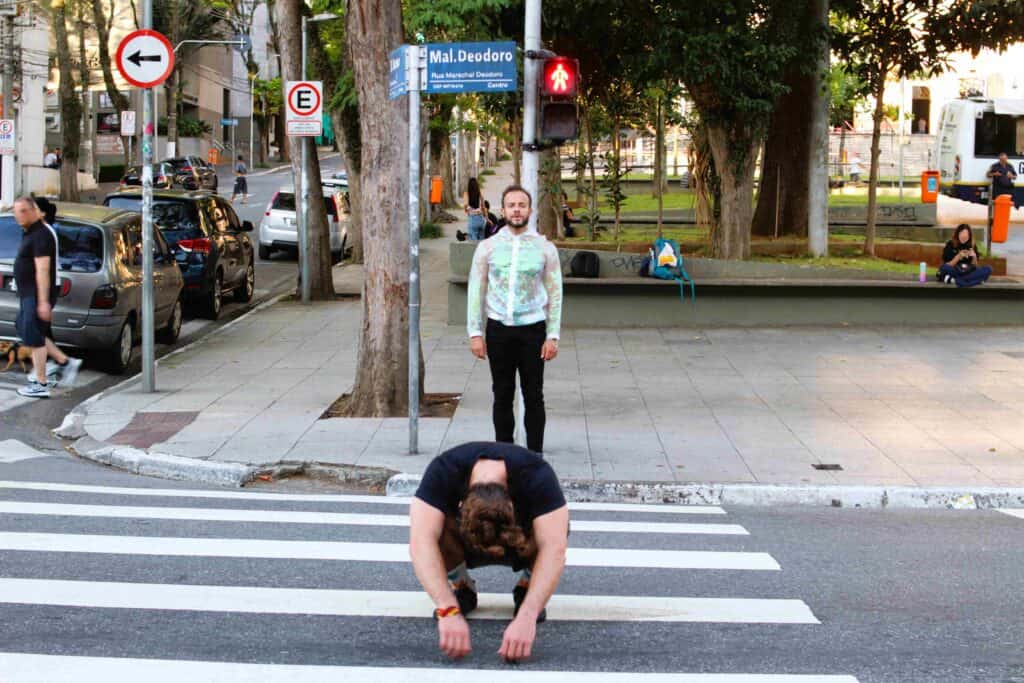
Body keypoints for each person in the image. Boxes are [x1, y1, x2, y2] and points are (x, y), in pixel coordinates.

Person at [409, 441, 570, 662]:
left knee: (555, 528)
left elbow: (554, 548)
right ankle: (462, 586)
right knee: (432, 526)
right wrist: (447, 609)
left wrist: (528, 615)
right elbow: (420, 542)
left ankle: (526, 587)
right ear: (463, 504)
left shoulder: (537, 474)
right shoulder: (443, 470)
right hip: (464, 541)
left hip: (518, 540)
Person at [467, 185, 563, 454]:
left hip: (533, 330)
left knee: (534, 396)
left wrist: (552, 336)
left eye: (522, 205)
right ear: (503, 210)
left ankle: (534, 457)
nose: (517, 210)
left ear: (530, 210)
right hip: (498, 330)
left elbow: (555, 293)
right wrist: (475, 333)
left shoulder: (545, 249)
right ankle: (504, 455)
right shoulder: (488, 248)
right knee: (502, 394)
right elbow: (476, 290)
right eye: (511, 205)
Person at [12, 196, 81, 399]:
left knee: (34, 336)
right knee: (24, 327)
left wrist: (43, 301)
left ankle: (40, 383)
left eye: (23, 211)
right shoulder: (30, 232)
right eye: (16, 211)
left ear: (35, 211)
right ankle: (65, 363)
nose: (18, 215)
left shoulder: (41, 234)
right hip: (28, 293)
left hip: (36, 293)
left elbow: (43, 270)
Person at [937, 224, 992, 288]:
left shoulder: (972, 245)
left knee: (988, 269)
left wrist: (974, 257)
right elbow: (947, 265)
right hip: (955, 270)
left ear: (969, 236)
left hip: (968, 271)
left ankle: (955, 280)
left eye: (966, 234)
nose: (964, 236)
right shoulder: (950, 244)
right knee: (943, 268)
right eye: (962, 233)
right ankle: (976, 281)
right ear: (957, 234)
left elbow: (974, 266)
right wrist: (958, 257)